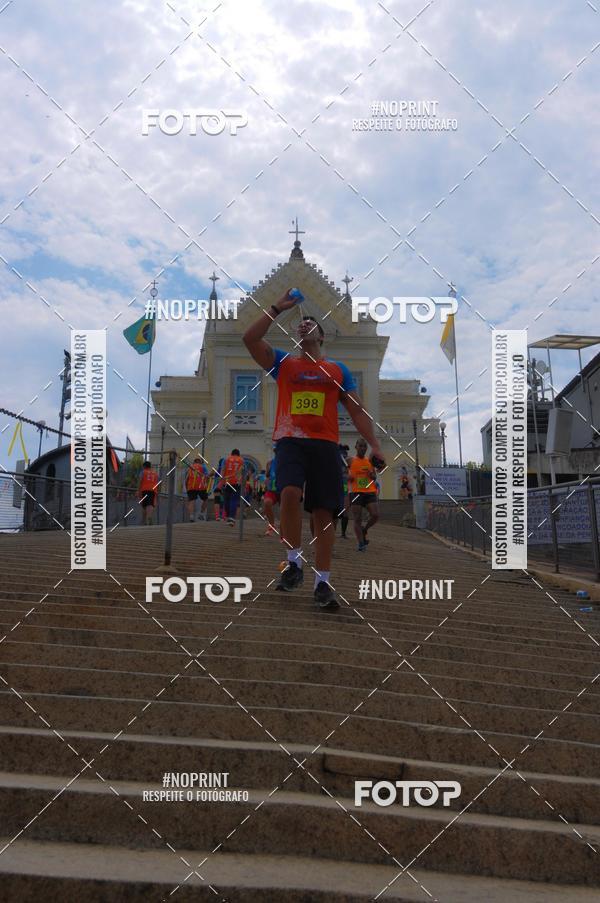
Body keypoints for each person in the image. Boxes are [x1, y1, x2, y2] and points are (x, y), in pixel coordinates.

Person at [242, 288, 386, 610]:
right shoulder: (283, 364)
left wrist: (375, 445)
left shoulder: (337, 371)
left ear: (322, 335)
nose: (304, 325)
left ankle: (323, 582)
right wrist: (278, 307)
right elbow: (250, 339)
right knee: (290, 493)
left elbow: (357, 410)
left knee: (323, 515)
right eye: (301, 324)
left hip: (325, 447)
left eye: (312, 323)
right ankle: (294, 561)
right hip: (291, 441)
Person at [348, 438, 379, 551]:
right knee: (357, 518)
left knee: (375, 515)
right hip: (356, 492)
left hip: (369, 491)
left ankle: (364, 529)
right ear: (356, 447)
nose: (362, 448)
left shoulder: (369, 461)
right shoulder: (350, 460)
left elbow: (374, 477)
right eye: (360, 446)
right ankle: (361, 543)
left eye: (364, 446)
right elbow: (340, 471)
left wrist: (372, 475)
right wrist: (347, 477)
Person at [222, 448, 244, 526]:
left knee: (227, 500)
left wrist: (222, 481)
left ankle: (228, 516)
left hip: (227, 481)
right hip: (236, 483)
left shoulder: (226, 459)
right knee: (234, 500)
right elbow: (242, 472)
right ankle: (231, 517)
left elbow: (223, 470)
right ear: (238, 454)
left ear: (231, 453)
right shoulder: (241, 460)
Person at [185, 457, 209, 521]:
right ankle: (201, 513)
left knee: (191, 501)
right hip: (201, 486)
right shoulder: (203, 467)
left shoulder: (190, 467)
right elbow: (207, 476)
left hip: (191, 486)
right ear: (201, 462)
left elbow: (187, 478)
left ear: (194, 462)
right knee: (205, 499)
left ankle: (191, 516)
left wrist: (187, 487)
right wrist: (207, 485)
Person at [263, 451, 280, 536]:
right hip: (271, 489)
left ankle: (285, 529)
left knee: (285, 510)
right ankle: (271, 525)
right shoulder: (270, 463)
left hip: (283, 489)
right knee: (267, 503)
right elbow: (267, 475)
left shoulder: (288, 461)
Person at [138, 460, 159, 525]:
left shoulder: (143, 472)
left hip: (144, 490)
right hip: (153, 490)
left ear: (144, 466)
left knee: (145, 505)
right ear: (150, 466)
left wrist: (138, 490)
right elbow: (158, 482)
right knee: (150, 504)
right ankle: (148, 518)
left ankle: (145, 520)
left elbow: (140, 481)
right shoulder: (155, 474)